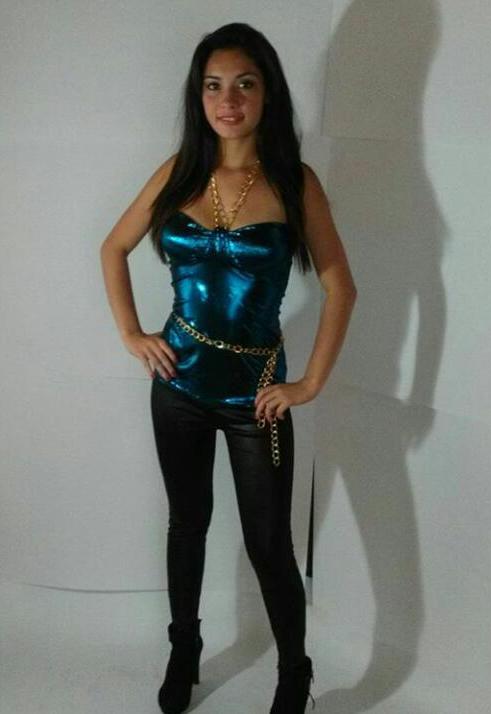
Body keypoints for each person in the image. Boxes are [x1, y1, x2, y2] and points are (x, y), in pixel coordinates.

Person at [100, 21, 357, 714]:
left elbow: (341, 286)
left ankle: (294, 673)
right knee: (186, 524)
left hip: (256, 398)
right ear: (199, 96)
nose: (229, 100)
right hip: (177, 385)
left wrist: (309, 384)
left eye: (244, 84)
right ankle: (183, 649)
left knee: (269, 544)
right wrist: (132, 334)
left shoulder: (294, 182)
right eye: (214, 86)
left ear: (267, 93)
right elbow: (112, 248)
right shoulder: (178, 172)